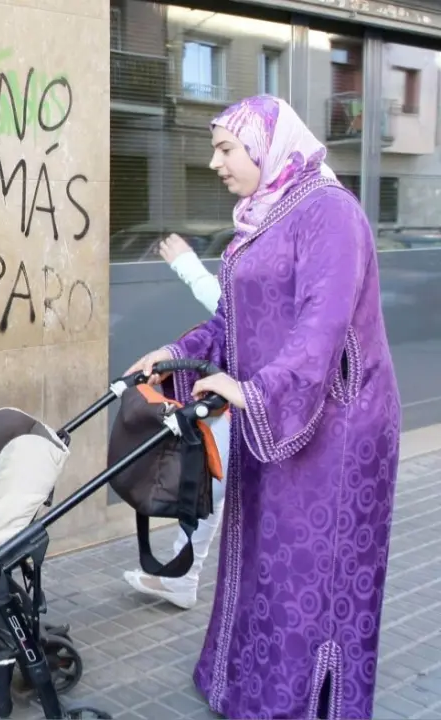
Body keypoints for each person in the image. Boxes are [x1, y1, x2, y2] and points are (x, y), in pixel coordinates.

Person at [125, 95, 400, 719]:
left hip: (336, 428)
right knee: (265, 561)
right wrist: (174, 355)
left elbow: (322, 327)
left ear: (265, 146)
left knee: (310, 573)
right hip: (274, 412)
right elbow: (231, 320)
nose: (214, 162)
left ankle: (299, 703)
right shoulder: (266, 215)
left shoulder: (330, 211)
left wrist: (253, 391)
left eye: (225, 148)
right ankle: (248, 686)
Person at [121, 234, 230, 610]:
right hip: (244, 396)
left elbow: (237, 315)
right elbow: (231, 316)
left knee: (208, 484)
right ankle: (183, 577)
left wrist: (189, 267)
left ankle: (183, 578)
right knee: (208, 484)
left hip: (269, 399)